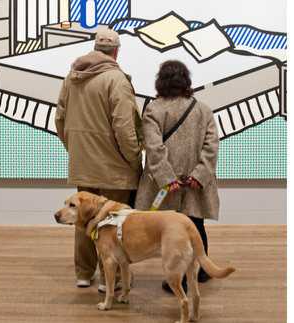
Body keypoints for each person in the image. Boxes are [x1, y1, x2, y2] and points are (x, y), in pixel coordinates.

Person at [55, 29, 142, 293]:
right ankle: (109, 279)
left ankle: (83, 274)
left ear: (94, 48)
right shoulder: (116, 80)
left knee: (82, 219)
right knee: (113, 223)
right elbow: (125, 128)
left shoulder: (72, 77)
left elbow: (60, 119)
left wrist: (76, 150)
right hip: (115, 167)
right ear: (116, 51)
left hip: (84, 164)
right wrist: (134, 158)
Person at [135, 60, 220, 293]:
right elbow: (211, 146)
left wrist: (167, 178)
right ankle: (202, 270)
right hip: (194, 184)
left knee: (171, 230)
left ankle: (179, 279)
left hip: (166, 185)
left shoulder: (154, 109)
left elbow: (154, 148)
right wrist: (199, 175)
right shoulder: (203, 109)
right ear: (186, 80)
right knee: (196, 224)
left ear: (160, 81)